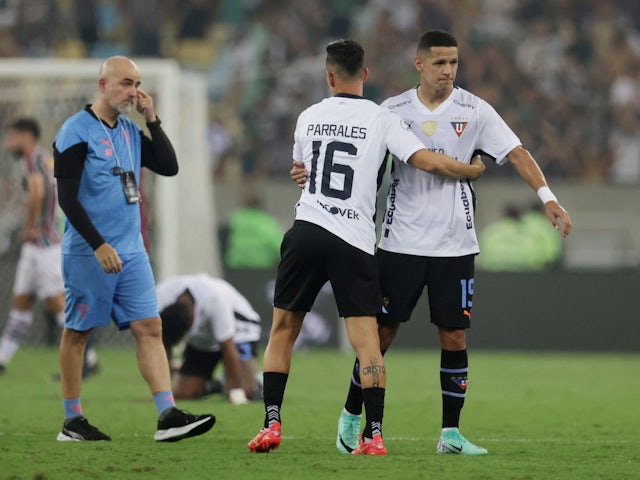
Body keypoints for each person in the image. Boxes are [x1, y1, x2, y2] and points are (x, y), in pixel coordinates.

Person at [293, 30, 572, 456]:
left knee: (454, 337)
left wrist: (547, 198)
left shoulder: (475, 110)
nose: (448, 71)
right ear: (419, 64)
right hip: (400, 242)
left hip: (455, 244)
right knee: (380, 335)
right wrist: (308, 175)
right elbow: (349, 157)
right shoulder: (391, 111)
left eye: (454, 63)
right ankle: (352, 416)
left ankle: (451, 435)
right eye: (440, 63)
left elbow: (516, 152)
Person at [247, 39, 485, 455]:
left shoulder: (308, 116)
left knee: (283, 330)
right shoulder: (381, 118)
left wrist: (305, 175)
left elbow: (302, 170)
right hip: (353, 240)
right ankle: (373, 434)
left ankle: (271, 425)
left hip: (307, 230)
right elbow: (426, 161)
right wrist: (471, 170)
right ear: (366, 75)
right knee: (368, 343)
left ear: (329, 75)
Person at [52, 56, 215, 442]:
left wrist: (152, 120)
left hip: (132, 251)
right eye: (126, 83)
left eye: (137, 84)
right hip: (89, 252)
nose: (134, 91)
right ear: (103, 84)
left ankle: (167, 415)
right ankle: (72, 421)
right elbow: (67, 200)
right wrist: (98, 244)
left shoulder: (128, 130)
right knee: (79, 332)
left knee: (150, 326)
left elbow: (169, 166)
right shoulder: (74, 132)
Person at [0, 118, 97, 377]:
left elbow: (37, 192)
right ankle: (2, 358)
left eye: (11, 137)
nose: (8, 143)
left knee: (56, 303)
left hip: (44, 245)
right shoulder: (47, 158)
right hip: (41, 246)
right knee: (21, 301)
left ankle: (87, 357)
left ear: (26, 136)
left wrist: (29, 226)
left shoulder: (33, 159)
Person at [156, 273, 262, 404]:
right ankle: (220, 384)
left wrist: (236, 392)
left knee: (244, 391)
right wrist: (163, 389)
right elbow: (163, 342)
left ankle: (256, 382)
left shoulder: (213, 299)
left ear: (192, 319)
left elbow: (228, 346)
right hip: (204, 340)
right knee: (184, 393)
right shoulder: (161, 297)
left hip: (239, 331)